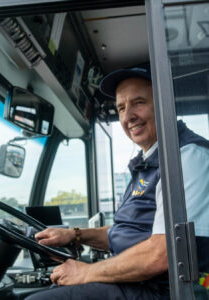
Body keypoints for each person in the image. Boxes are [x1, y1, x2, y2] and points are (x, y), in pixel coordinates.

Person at [26, 64, 209, 300]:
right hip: (140, 284)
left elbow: (161, 253)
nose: (128, 116)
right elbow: (129, 232)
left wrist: (87, 272)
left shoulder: (187, 156)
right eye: (121, 107)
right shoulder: (147, 161)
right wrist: (75, 235)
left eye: (138, 102)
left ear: (165, 104)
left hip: (163, 291)